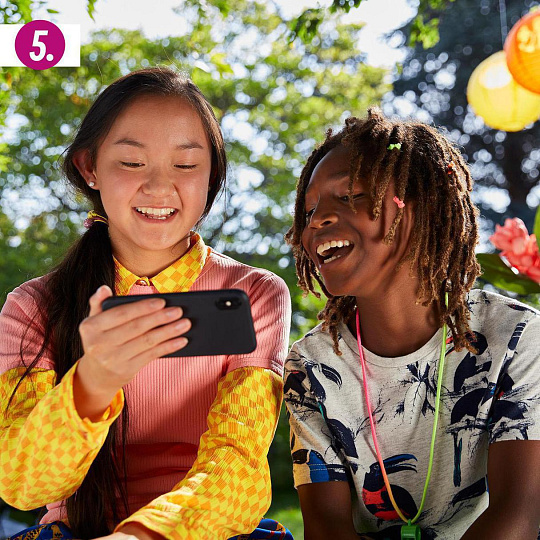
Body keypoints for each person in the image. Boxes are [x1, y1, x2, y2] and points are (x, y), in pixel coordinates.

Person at [0, 67, 292, 540]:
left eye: (186, 165)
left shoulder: (255, 292)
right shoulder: (32, 306)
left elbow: (237, 462)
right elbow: (23, 484)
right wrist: (93, 382)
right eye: (132, 163)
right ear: (89, 168)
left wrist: (138, 536)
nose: (159, 187)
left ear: (212, 174)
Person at [283, 108, 540, 540]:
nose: (318, 219)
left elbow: (518, 516)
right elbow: (326, 527)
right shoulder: (311, 365)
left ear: (422, 207)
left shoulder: (515, 336)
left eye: (350, 195)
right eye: (309, 211)